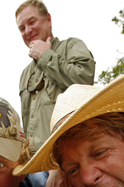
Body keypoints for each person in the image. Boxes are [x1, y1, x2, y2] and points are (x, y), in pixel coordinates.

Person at [15, 0, 95, 151]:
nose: (27, 30)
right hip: (34, 163)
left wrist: (45, 55)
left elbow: (84, 79)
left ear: (48, 19)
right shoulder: (25, 73)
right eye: (21, 28)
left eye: (32, 22)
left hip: (69, 154)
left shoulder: (71, 46)